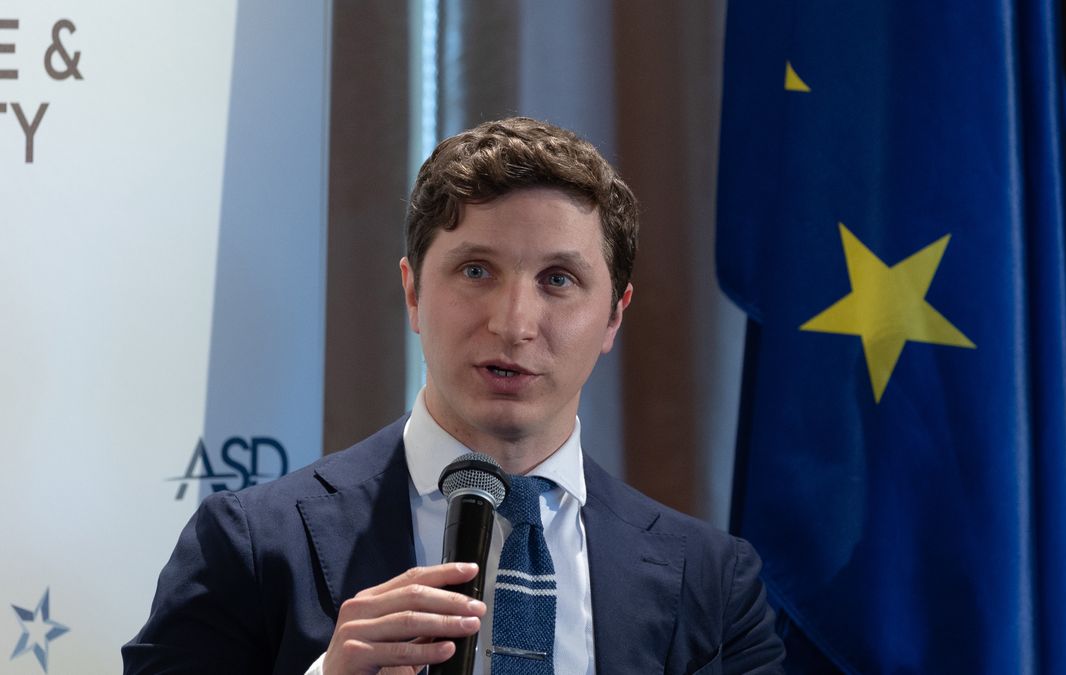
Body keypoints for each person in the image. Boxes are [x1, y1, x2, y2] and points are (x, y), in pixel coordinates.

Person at [123, 117, 785, 674]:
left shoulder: (712, 582)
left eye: (558, 279)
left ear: (614, 315)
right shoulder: (250, 543)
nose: (513, 322)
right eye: (476, 270)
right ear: (413, 291)